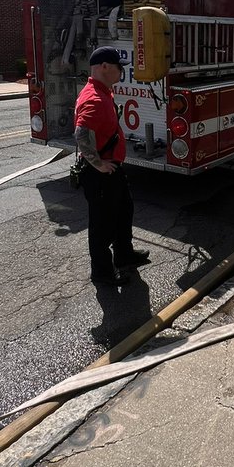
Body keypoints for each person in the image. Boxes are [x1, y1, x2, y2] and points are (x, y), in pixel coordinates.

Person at [74, 46, 150, 287]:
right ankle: (103, 273)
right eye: (119, 67)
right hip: (101, 175)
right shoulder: (94, 98)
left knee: (123, 211)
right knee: (102, 225)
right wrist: (99, 164)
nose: (121, 71)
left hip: (112, 170)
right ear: (105, 67)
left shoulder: (103, 91)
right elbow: (81, 134)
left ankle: (124, 255)